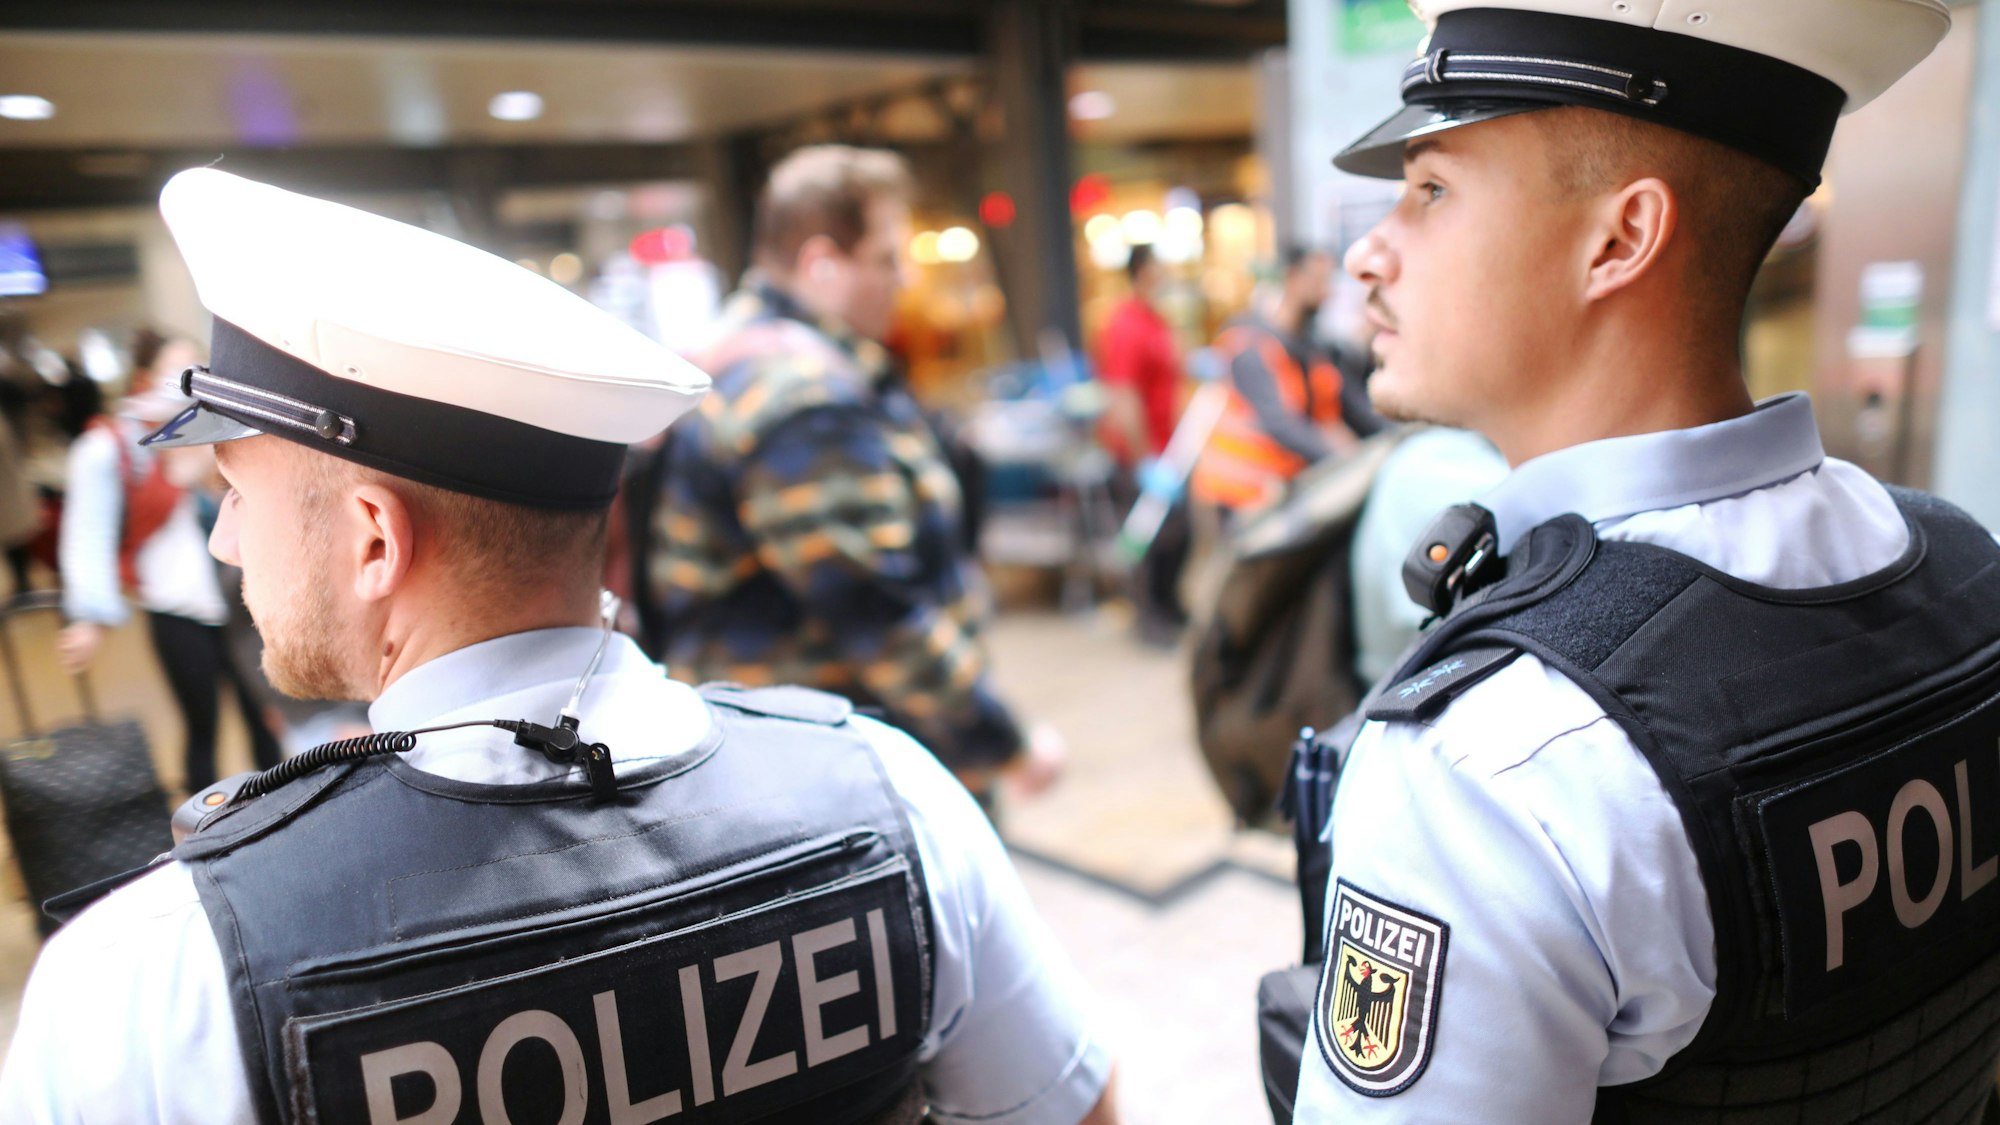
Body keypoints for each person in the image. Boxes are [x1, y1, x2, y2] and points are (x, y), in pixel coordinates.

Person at [0, 169, 1118, 1125]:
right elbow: (1078, 1103)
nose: (229, 541)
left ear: (373, 537)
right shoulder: (892, 802)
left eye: (237, 493)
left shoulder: (160, 976)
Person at [1288, 1, 1996, 1121]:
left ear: (1618, 239)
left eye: (1428, 191)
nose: (1369, 252)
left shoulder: (1493, 769)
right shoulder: (1964, 572)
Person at [652, 145, 1061, 805]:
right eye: (885, 258)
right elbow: (874, 609)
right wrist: (999, 740)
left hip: (793, 754)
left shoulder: (743, 345)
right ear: (821, 262)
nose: (902, 278)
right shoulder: (801, 398)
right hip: (843, 771)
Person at [54, 328, 282, 791]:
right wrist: (90, 615)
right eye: (175, 370)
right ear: (146, 377)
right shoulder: (119, 446)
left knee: (266, 720)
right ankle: (201, 837)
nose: (190, 380)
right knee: (203, 728)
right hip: (176, 609)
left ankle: (286, 818)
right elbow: (90, 529)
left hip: (247, 601)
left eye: (199, 367)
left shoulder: (236, 427)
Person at [1191, 247, 1357, 514]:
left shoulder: (1307, 346)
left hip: (1275, 488)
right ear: (1292, 278)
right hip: (1237, 490)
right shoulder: (1251, 343)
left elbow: (1344, 402)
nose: (1327, 292)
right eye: (1318, 281)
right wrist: (1343, 460)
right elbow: (1279, 422)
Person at [1095, 243, 1191, 642]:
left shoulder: (1158, 321)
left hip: (1171, 450)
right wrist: (1142, 459)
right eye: (1159, 267)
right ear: (1142, 271)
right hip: (1141, 454)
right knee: (1149, 542)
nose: (1165, 274)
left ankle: (1170, 606)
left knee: (1181, 536)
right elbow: (1123, 396)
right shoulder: (1125, 325)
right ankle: (1149, 618)